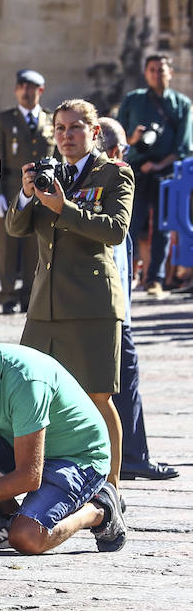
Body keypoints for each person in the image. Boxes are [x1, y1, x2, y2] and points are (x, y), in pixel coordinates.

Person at [6, 98, 133, 492]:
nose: (66, 136)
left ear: (94, 133)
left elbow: (115, 230)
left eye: (74, 128)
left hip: (92, 305)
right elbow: (14, 228)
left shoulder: (115, 174)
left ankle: (110, 488)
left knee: (97, 396)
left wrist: (65, 207)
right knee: (28, 395)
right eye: (59, 129)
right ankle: (32, 483)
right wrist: (28, 195)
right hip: (45, 305)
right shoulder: (49, 172)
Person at [0, 342, 126, 554]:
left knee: (27, 537)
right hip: (17, 442)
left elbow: (29, 477)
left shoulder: (25, 381)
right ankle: (7, 516)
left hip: (77, 458)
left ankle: (100, 509)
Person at [95, 117, 179, 481]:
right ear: (116, 151)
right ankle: (132, 454)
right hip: (109, 308)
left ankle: (126, 452)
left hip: (101, 304)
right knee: (123, 379)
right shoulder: (112, 181)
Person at [117, 53, 193, 294]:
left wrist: (160, 165)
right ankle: (124, 274)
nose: (156, 73)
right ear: (145, 72)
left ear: (170, 72)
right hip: (135, 170)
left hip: (166, 172)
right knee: (129, 224)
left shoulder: (181, 104)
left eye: (161, 69)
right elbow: (116, 138)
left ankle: (155, 280)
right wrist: (133, 139)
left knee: (162, 227)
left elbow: (183, 145)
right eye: (151, 69)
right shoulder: (133, 100)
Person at [0, 70, 52, 314]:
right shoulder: (6, 120)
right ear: (16, 90)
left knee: (34, 245)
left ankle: (29, 293)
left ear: (41, 91)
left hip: (41, 189)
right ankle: (7, 295)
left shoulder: (49, 120)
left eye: (32, 88)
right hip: (11, 188)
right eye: (22, 87)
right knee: (7, 244)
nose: (27, 92)